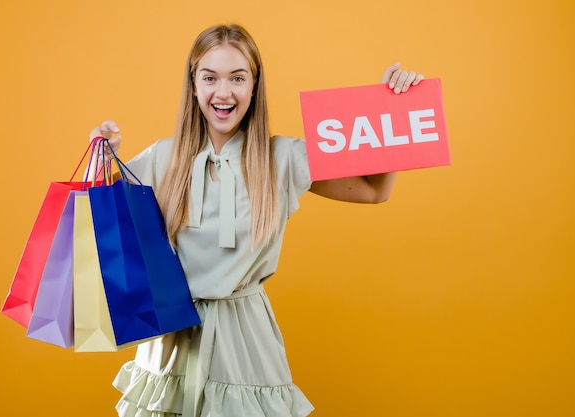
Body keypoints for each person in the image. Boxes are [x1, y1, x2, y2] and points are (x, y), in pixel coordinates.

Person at [90, 24, 423, 417]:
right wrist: (100, 155)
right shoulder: (163, 158)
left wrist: (395, 110)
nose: (224, 92)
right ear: (194, 85)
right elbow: (104, 231)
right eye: (210, 78)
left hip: (246, 342)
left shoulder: (282, 157)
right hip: (170, 341)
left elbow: (374, 191)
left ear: (254, 86)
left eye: (238, 78)